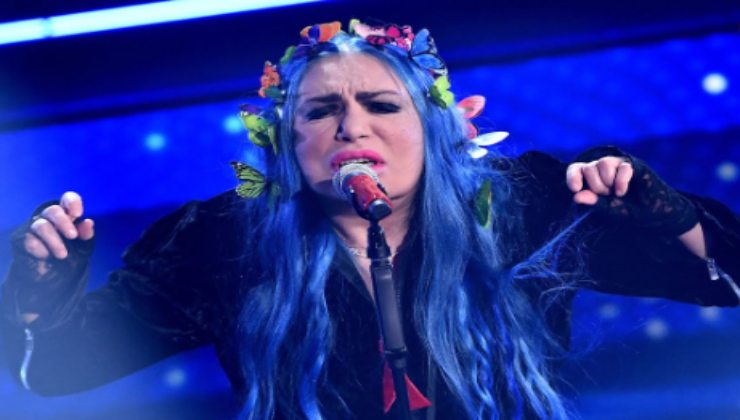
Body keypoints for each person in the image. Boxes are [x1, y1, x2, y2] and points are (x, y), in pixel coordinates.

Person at [2, 20, 739, 419]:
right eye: (321, 111)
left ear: (438, 129)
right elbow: (58, 370)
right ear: (286, 144)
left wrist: (669, 216)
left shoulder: (527, 208)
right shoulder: (223, 242)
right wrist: (39, 295)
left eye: (382, 106)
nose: (351, 127)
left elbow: (728, 277)